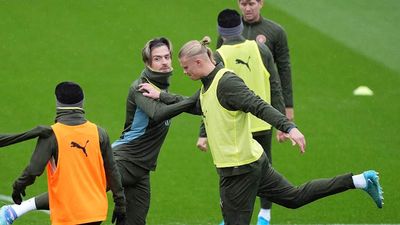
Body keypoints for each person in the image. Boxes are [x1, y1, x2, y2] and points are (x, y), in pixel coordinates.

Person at [139, 37, 384, 225]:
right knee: (294, 197)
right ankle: (360, 180)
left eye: (185, 67)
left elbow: (258, 105)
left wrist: (289, 127)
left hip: (238, 171)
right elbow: (196, 105)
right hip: (252, 161)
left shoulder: (226, 83)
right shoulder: (208, 84)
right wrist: (162, 95)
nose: (184, 72)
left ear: (200, 62)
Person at [0, 37, 200, 225]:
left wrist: (182, 98)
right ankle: (14, 211)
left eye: (167, 57)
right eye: (157, 58)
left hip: (142, 169)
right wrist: (190, 99)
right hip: (124, 159)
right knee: (76, 193)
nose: (164, 62)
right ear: (148, 63)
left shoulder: (161, 91)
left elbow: (197, 107)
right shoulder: (141, 87)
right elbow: (158, 114)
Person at [1, 81, 127, 225]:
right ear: (82, 102)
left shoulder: (52, 135)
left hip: (68, 215)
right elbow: (112, 170)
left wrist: (18, 186)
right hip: (95, 213)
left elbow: (33, 170)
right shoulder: (99, 133)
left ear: (57, 101)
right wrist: (120, 203)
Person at [216, 1, 296, 223]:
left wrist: (286, 108)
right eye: (243, 3)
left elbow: (282, 72)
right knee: (233, 166)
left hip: (261, 114)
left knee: (264, 164)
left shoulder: (275, 32)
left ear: (261, 3)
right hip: (233, 115)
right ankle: (232, 215)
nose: (247, 8)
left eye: (251, 3)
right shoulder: (229, 30)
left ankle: (265, 212)